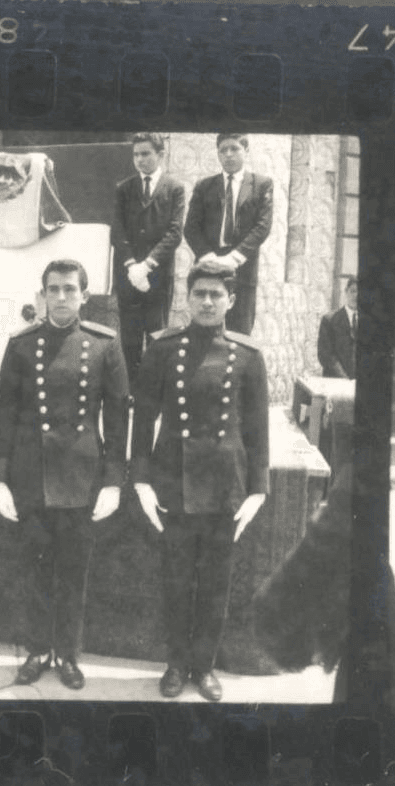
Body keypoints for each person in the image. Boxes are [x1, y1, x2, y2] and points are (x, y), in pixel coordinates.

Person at [131, 261, 270, 702]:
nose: (207, 302)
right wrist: (141, 480)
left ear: (231, 300)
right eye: (199, 294)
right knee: (175, 581)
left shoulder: (247, 355)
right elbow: (143, 417)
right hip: (174, 482)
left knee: (215, 585)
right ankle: (175, 664)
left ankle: (204, 666)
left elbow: (257, 429)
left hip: (225, 488)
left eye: (216, 294)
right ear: (186, 300)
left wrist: (258, 489)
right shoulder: (163, 347)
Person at [0, 259, 129, 690]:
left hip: (81, 477)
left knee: (72, 574)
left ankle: (68, 654)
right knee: (34, 572)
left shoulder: (104, 344)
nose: (62, 297)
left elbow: (119, 418)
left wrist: (113, 480)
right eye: (54, 289)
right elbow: (5, 414)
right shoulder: (21, 344)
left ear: (85, 296)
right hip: (31, 477)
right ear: (43, 295)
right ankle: (36, 650)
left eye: (71, 289)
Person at [112, 133, 185, 385]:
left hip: (158, 278)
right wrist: (132, 265)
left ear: (160, 154)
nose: (140, 159)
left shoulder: (174, 188)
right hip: (128, 276)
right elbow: (118, 231)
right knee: (130, 338)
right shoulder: (124, 189)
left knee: (157, 336)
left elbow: (175, 232)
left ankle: (153, 392)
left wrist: (147, 265)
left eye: (145, 154)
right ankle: (130, 392)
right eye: (136, 154)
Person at [184, 134, 273, 335]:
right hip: (207, 269)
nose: (228, 155)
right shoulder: (204, 186)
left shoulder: (261, 184)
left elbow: (262, 226)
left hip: (242, 270)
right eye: (223, 150)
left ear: (246, 150)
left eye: (234, 149)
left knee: (239, 332)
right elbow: (191, 228)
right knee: (204, 326)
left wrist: (233, 259)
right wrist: (209, 259)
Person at [317, 276, 357, 379]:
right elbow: (325, 355)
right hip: (335, 381)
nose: (356, 296)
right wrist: (344, 378)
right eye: (353, 291)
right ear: (346, 291)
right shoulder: (329, 320)